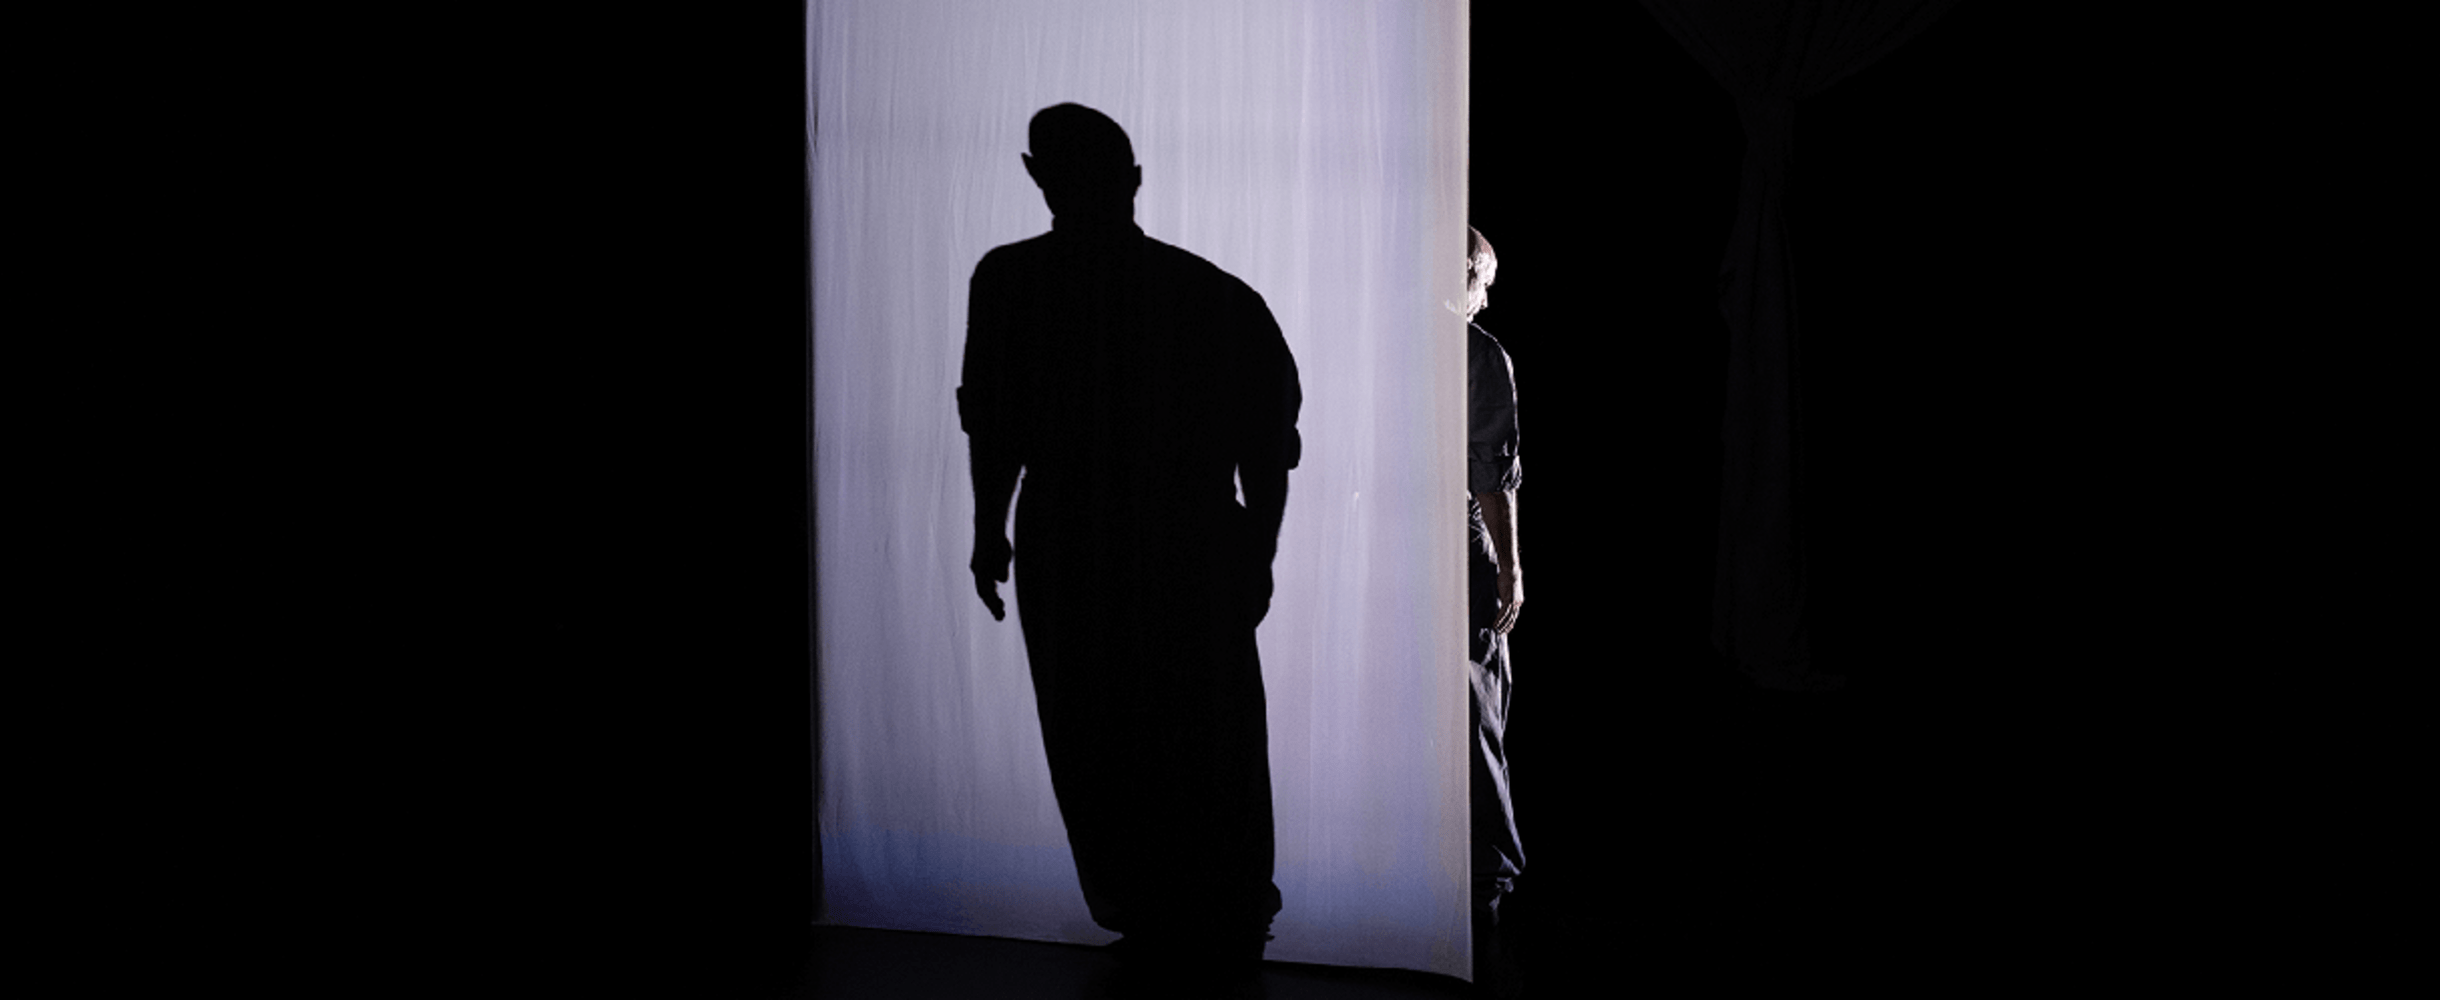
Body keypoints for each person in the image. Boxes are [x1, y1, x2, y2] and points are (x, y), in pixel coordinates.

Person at [958, 104, 1302, 980]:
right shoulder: (1211, 294)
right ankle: (1216, 914)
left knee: (1101, 732)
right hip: (1175, 535)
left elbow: (993, 425)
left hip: (1074, 537)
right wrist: (1256, 551)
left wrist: (988, 528)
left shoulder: (1010, 284)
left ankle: (1165, 910)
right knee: (1198, 734)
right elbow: (1268, 443)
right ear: (1134, 177)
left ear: (1036, 173)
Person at [1463, 225, 1527, 994]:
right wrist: (1512, 567)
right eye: (1487, 278)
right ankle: (1485, 879)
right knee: (1476, 706)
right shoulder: (1480, 354)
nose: (1489, 295)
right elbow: (1494, 474)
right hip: (1453, 543)